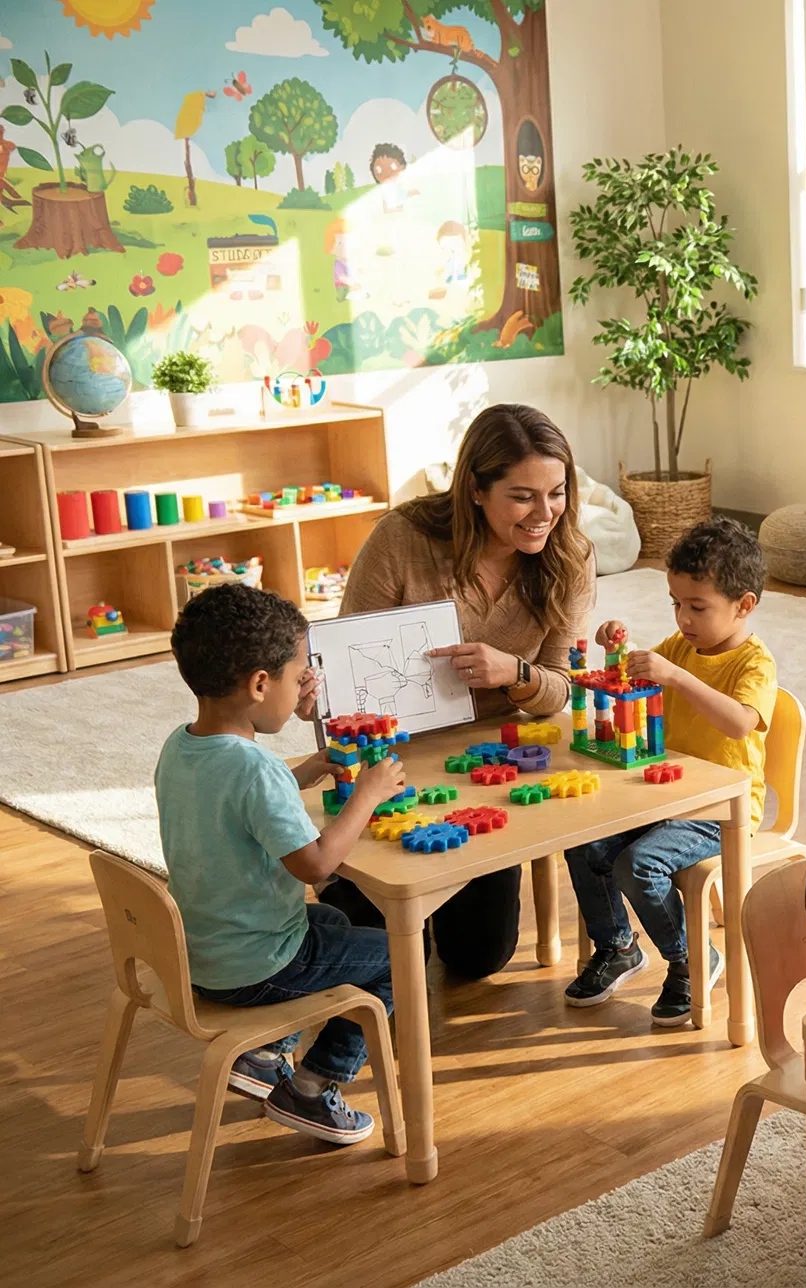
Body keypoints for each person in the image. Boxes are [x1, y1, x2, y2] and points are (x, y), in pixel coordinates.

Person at [316, 404, 594, 979]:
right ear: (475, 489)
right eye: (522, 497)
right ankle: (343, 887)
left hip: (489, 760)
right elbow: (345, 664)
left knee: (478, 959)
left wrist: (514, 673)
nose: (544, 514)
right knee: (394, 958)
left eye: (557, 493)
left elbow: (560, 688)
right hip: (396, 755)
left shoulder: (571, 557)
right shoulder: (402, 538)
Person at [157, 584, 403, 1144]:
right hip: (254, 964)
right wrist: (366, 797)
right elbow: (315, 866)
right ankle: (313, 1087)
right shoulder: (255, 770)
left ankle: (265, 1055)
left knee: (334, 921)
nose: (301, 691)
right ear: (260, 684)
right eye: (297, 679)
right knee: (398, 957)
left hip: (200, 951)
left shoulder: (181, 745)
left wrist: (306, 771)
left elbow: (233, 805)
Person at [563, 517, 778, 1025]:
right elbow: (631, 675)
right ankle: (618, 946)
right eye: (675, 604)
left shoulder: (754, 663)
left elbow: (739, 722)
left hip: (720, 811)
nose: (683, 618)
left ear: (744, 605)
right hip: (665, 796)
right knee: (584, 844)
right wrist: (616, 647)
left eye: (697, 607)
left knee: (637, 864)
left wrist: (677, 677)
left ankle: (691, 958)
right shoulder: (681, 647)